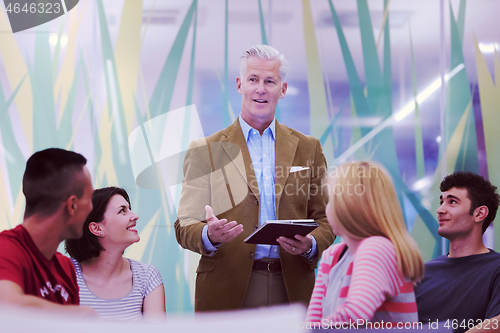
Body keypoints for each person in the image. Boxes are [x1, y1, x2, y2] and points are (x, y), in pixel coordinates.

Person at [174, 45, 335, 311]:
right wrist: (208, 234)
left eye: (270, 81)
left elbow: (325, 219)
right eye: (253, 79)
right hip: (226, 288)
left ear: (282, 89)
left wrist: (310, 244)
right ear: (240, 85)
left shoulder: (309, 148)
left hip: (292, 287)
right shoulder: (205, 151)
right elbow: (184, 226)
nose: (261, 88)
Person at [306, 161, 424, 326]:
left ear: (349, 207)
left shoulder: (376, 247)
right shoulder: (331, 256)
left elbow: (355, 313)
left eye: (331, 200)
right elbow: (312, 321)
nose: (327, 208)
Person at [0, 148, 95, 315]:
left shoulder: (66, 267)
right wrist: (82, 315)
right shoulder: (5, 249)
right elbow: (7, 306)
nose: (91, 207)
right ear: (72, 205)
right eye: (90, 199)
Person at [415, 171, 500, 333]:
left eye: (452, 202)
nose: (440, 210)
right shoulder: (422, 273)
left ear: (480, 213)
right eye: (441, 202)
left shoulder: (496, 268)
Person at [65, 187, 165, 321]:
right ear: (96, 228)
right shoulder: (65, 274)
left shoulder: (148, 277)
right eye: (122, 210)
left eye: (129, 209)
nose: (135, 216)